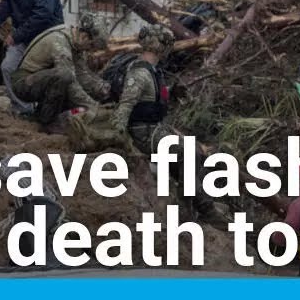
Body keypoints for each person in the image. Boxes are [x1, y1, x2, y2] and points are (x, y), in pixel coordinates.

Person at [71, 24, 226, 224]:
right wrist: (124, 142)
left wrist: (171, 93)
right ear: (160, 46)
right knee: (188, 152)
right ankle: (199, 207)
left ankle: (193, 203)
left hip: (154, 129)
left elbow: (149, 99)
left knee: (191, 151)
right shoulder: (139, 74)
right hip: (143, 133)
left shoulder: (151, 71)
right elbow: (125, 106)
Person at [9, 14, 110, 126]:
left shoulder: (76, 44)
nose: (89, 50)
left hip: (39, 80)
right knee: (65, 77)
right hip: (22, 83)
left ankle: (40, 116)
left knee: (68, 81)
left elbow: (83, 76)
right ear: (84, 36)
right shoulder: (60, 42)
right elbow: (70, 82)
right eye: (91, 46)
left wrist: (102, 89)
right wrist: (93, 106)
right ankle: (45, 122)